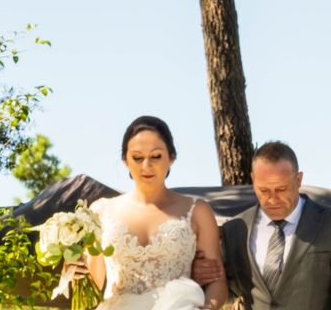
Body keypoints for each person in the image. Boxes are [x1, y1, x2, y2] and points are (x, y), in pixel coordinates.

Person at [74, 115, 228, 310]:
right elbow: (93, 282)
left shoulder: (198, 211)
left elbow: (217, 280)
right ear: (125, 160)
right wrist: (73, 271)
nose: (146, 166)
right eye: (137, 158)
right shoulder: (100, 211)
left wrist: (209, 308)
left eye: (156, 156)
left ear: (171, 157)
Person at [193, 141, 331, 309]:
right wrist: (202, 277)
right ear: (253, 180)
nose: (272, 199)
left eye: (281, 189)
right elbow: (229, 290)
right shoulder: (235, 229)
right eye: (264, 190)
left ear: (298, 180)